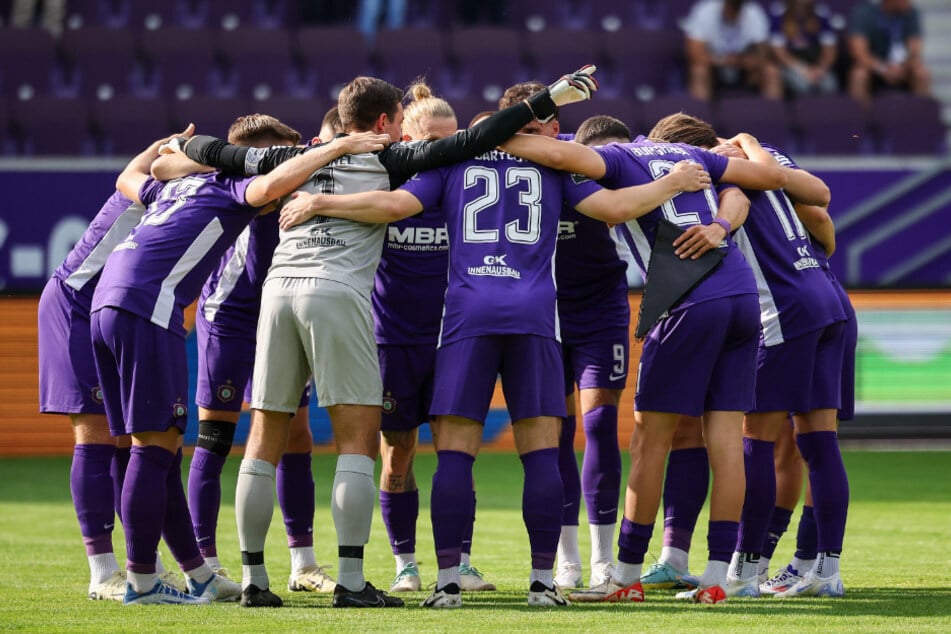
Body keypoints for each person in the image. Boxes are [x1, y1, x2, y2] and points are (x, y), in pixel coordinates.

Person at [176, 66, 601, 608]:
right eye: (400, 123)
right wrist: (553, 98)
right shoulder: (393, 159)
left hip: (280, 294)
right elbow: (478, 139)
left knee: (263, 440)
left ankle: (255, 579)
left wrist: (176, 147)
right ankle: (355, 579)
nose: (405, 134)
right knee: (362, 445)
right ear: (384, 123)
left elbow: (219, 155)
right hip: (354, 303)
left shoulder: (291, 158)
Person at [276, 122, 711, 609]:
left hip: (467, 318)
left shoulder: (453, 161)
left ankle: (445, 585)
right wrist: (673, 182)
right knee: (543, 453)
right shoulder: (552, 163)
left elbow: (394, 207)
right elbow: (615, 208)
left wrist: (321, 202)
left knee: (455, 454)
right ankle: (545, 582)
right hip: (535, 318)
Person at [93, 118, 388, 605]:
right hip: (215, 315)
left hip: (141, 302)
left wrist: (165, 148)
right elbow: (268, 180)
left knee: (274, 433)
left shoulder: (183, 181)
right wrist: (340, 147)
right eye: (278, 155)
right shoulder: (241, 186)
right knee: (190, 440)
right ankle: (172, 570)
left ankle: (290, 563)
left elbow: (131, 177)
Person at [499, 114, 789, 605]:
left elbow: (553, 155)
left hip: (688, 299)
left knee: (650, 439)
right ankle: (719, 579)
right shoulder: (689, 155)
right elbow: (766, 182)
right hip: (742, 298)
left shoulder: (614, 159)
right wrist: (720, 221)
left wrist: (485, 134)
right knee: (724, 436)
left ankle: (625, 575)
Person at [647, 115, 849, 600]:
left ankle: (744, 572)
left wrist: (718, 227)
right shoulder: (767, 155)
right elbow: (820, 211)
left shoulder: (718, 170)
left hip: (780, 307)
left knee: (757, 440)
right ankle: (824, 569)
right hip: (828, 294)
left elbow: (735, 201)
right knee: (818, 441)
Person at [184, 118, 336, 595]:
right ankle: (204, 563)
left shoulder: (303, 179)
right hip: (228, 319)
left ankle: (303, 563)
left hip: (282, 314)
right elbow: (172, 162)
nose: (288, 163)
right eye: (277, 154)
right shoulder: (235, 186)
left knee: (296, 434)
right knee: (215, 438)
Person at [495, 82, 627, 592]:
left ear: (555, 125)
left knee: (598, 426)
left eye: (541, 127)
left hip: (599, 307)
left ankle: (603, 559)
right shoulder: (490, 162)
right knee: (555, 435)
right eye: (522, 129)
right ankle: (567, 557)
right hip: (542, 312)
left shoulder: (583, 157)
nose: (536, 137)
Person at [371, 81, 495, 594]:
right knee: (397, 453)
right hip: (392, 339)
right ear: (407, 137)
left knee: (455, 453)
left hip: (453, 340)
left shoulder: (473, 189)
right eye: (434, 141)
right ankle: (405, 562)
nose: (446, 150)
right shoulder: (381, 182)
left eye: (454, 139)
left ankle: (459, 561)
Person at [38, 191, 144, 602]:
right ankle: (102, 573)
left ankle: (141, 565)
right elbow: (132, 173)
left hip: (113, 309)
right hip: (77, 304)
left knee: (125, 437)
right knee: (96, 435)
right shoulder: (164, 178)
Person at [683, 0, 782, 101]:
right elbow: (694, 53)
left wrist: (748, 61)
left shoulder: (754, 13)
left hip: (744, 69)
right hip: (715, 68)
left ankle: (771, 114)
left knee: (771, 72)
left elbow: (764, 55)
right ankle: (699, 114)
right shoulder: (705, 11)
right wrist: (724, 60)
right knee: (699, 71)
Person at [847, 0, 930, 103]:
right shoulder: (864, 13)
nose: (908, 2)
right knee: (859, 74)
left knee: (922, 74)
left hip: (902, 67)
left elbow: (915, 50)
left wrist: (902, 67)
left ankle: (920, 115)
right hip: (874, 68)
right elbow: (858, 52)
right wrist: (883, 69)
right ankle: (860, 116)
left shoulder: (911, 13)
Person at [768, 0, 839, 97]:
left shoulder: (821, 11)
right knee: (802, 85)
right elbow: (779, 53)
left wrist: (821, 68)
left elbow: (830, 50)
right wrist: (803, 70)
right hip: (792, 65)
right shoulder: (778, 11)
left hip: (816, 64)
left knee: (829, 85)